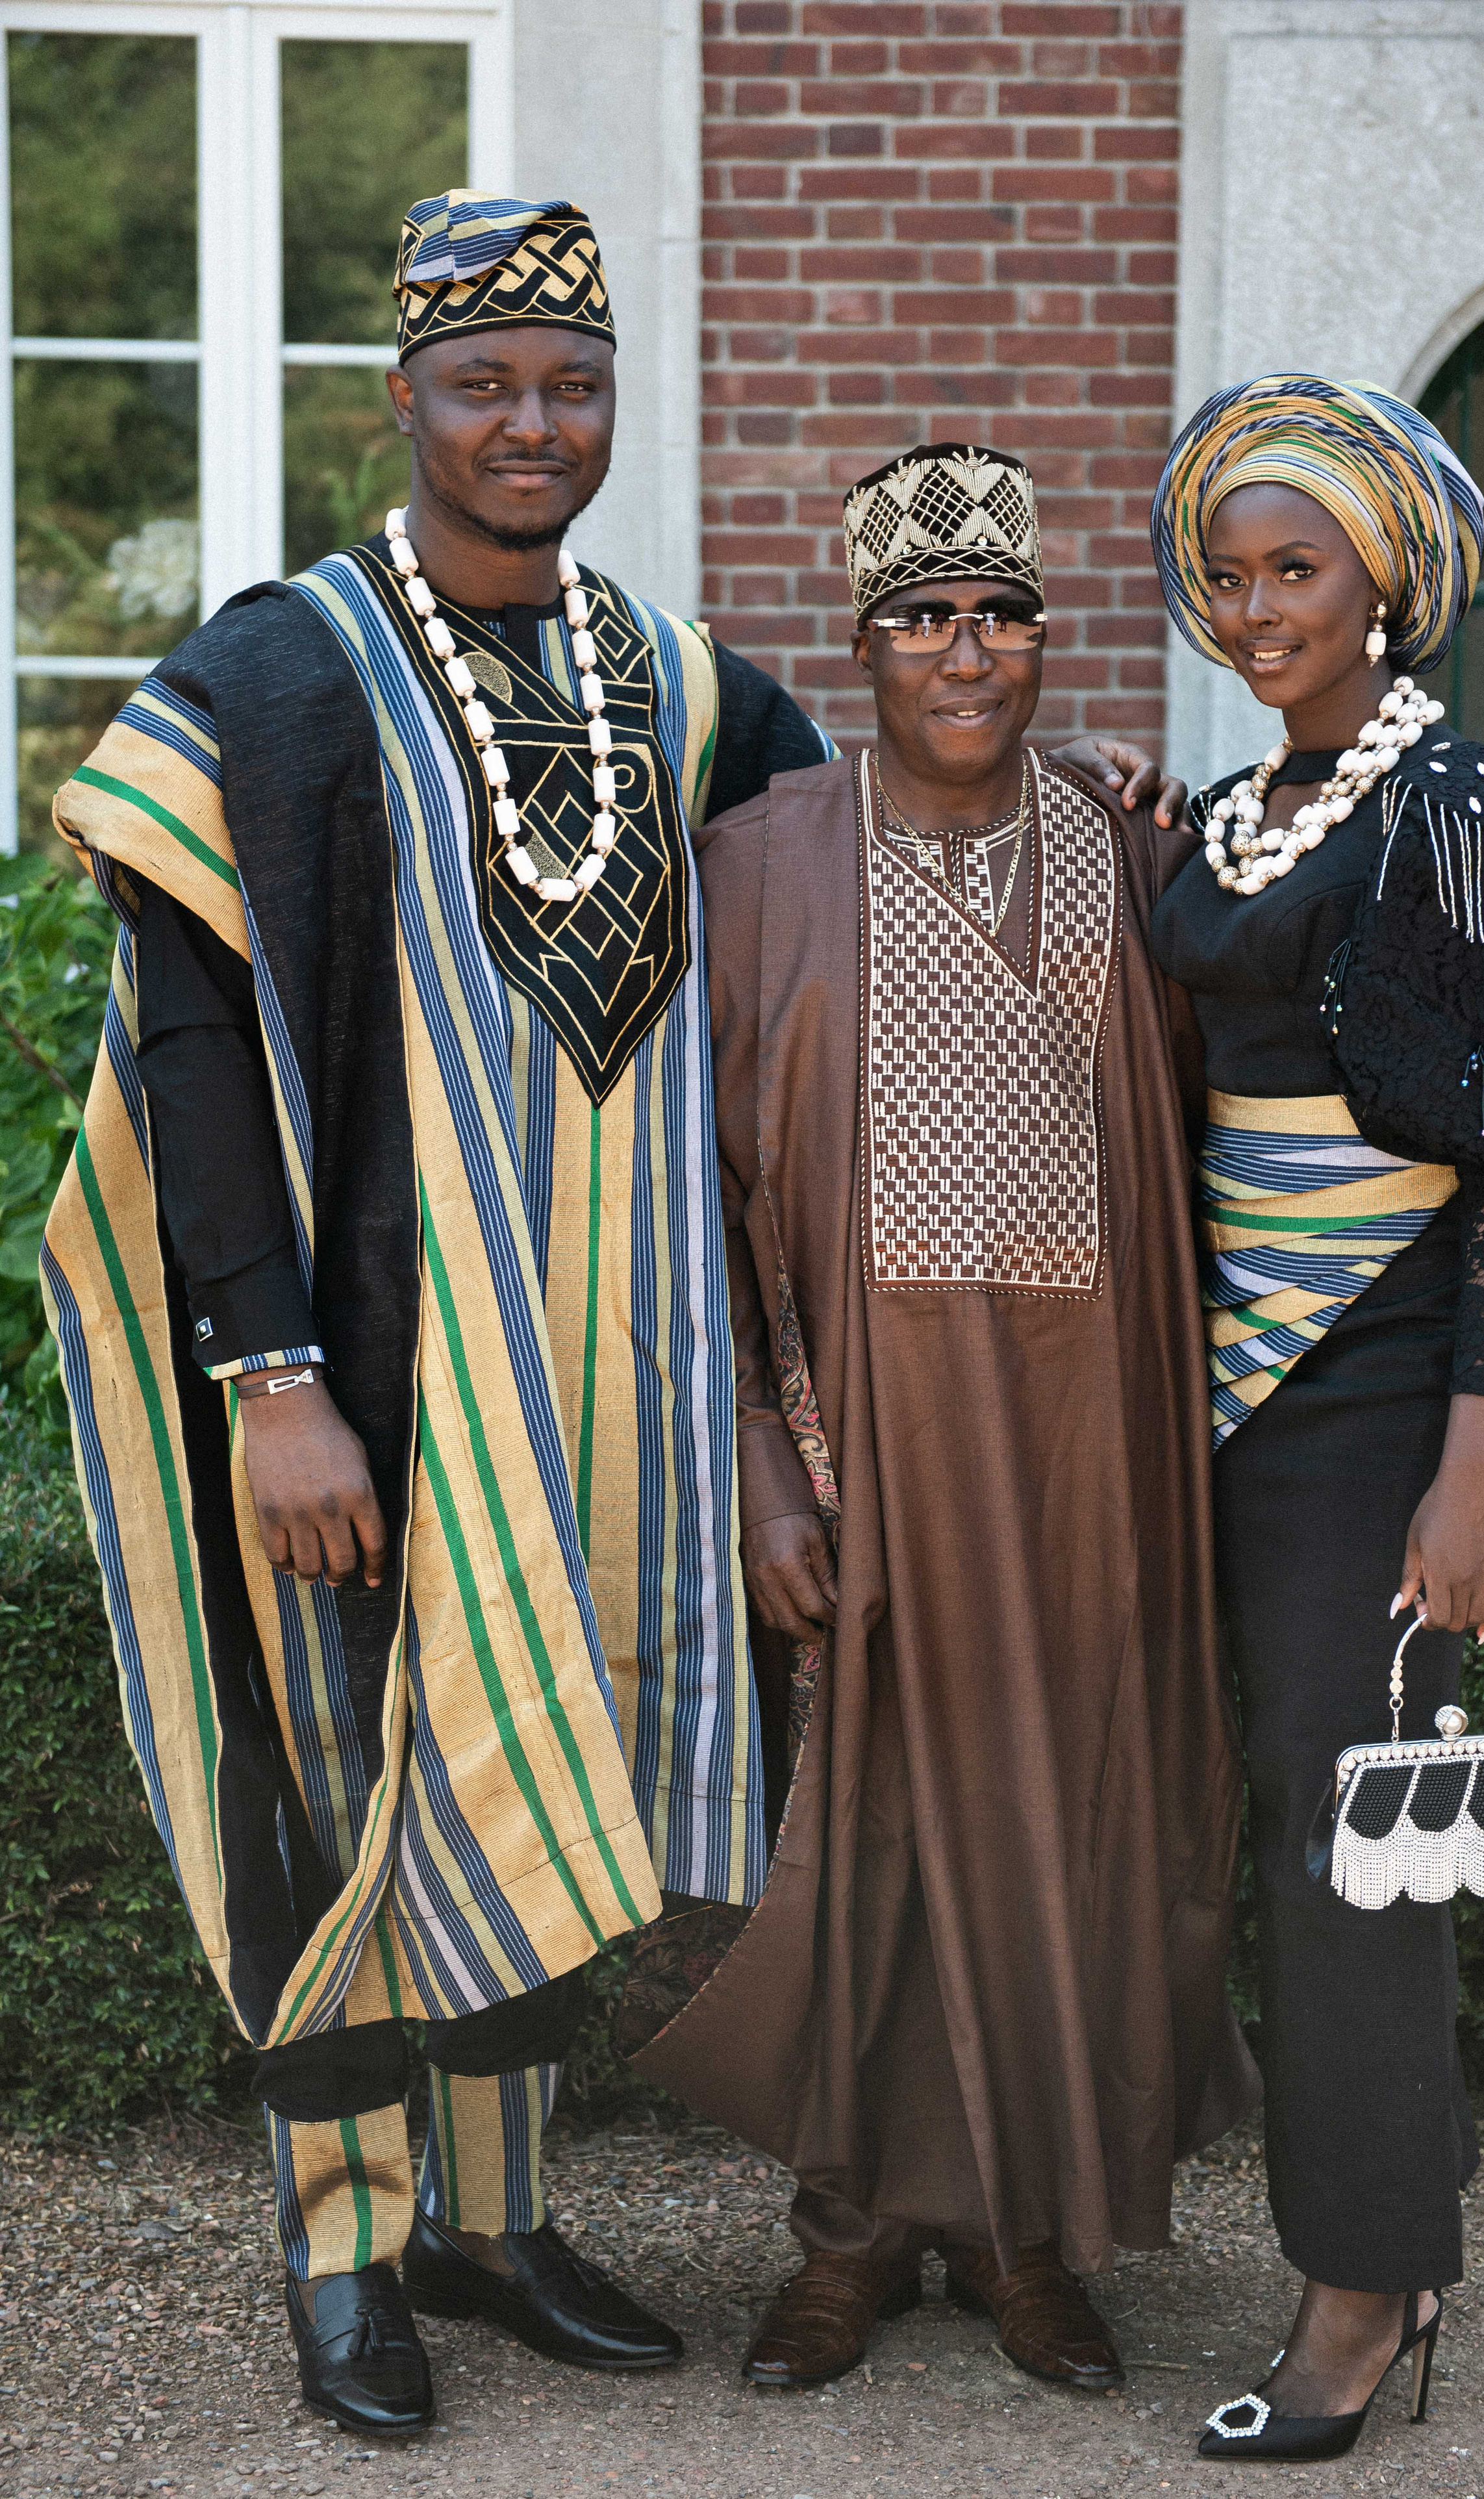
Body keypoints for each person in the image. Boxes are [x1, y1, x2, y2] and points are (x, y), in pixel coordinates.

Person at [41, 188, 846, 2439]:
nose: (531, 421)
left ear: (614, 405)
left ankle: (490, 2223)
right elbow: (190, 1039)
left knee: (542, 1753)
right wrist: (267, 1376)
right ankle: (341, 2244)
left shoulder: (689, 691)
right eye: (482, 383)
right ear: (401, 399)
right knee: (341, 1780)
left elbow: (861, 895)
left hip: (617, 1385)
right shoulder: (276, 674)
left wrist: (1096, 823)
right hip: (365, 1369)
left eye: (570, 382)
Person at [627, 441, 1259, 2393]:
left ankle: (1024, 2233)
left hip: (1093, 1448)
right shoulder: (757, 866)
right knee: (869, 1829)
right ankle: (847, 2235)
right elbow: (689, 1211)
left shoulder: (1139, 855)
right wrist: (755, 1464)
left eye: (1001, 615)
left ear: (1046, 641)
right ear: (866, 643)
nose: (966, 651)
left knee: (1070, 1815)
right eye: (924, 619)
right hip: (859, 1442)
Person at [1142, 375, 1484, 2463]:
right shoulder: (1255, 803)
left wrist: (1472, 1466)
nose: (1261, 609)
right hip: (1224, 1392)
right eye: (1232, 574)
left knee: (1343, 1844)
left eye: (1302, 569)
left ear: (1391, 578)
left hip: (1376, 1388)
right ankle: (1382, 2241)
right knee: (1275, 1817)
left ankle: (1361, 2299)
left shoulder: (1465, 808)